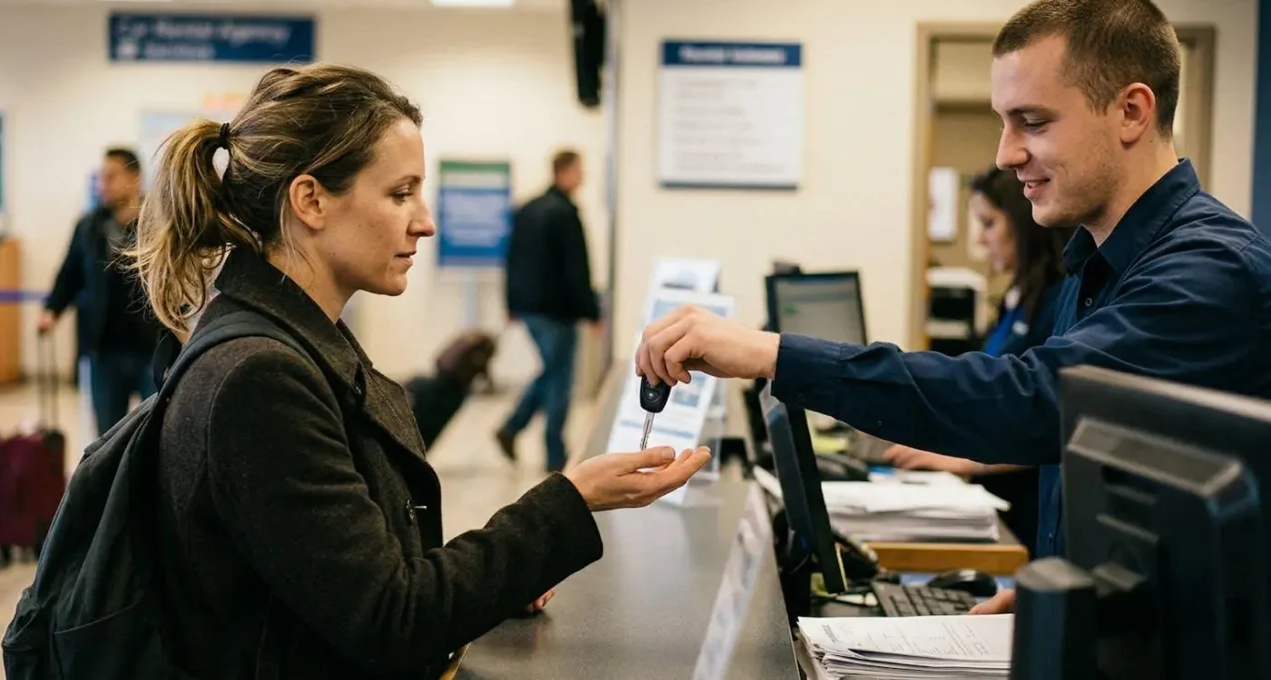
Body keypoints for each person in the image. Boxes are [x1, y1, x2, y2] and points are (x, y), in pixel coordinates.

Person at [634, 0, 1271, 616]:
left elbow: (1033, 402)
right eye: (1003, 121)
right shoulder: (1097, 262)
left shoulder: (1209, 271)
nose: (1005, 153)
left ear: (1131, 111)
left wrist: (772, 352)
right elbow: (1117, 474)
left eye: (1034, 121)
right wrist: (1071, 598)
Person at [131, 63, 710, 679]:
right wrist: (573, 500)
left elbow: (359, 575)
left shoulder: (294, 344)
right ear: (311, 200)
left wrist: (492, 582)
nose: (424, 220)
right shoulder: (259, 379)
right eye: (400, 193)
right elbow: (390, 621)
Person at [883, 165, 1072, 548]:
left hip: (1027, 517)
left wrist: (958, 460)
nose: (982, 240)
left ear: (1022, 223)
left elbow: (1049, 420)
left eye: (989, 224)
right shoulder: (1017, 299)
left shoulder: (1058, 302)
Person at [40, 148, 162, 432]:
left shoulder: (158, 224)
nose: (102, 184)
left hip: (151, 347)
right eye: (100, 178)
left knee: (159, 431)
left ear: (135, 179)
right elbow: (70, 272)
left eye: (110, 176)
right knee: (108, 436)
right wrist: (52, 311)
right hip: (103, 348)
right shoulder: (89, 226)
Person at [496, 149, 601, 472]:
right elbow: (576, 268)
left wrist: (512, 303)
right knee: (559, 379)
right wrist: (592, 311)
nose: (582, 177)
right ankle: (554, 452)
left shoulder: (527, 209)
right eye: (579, 170)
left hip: (530, 308)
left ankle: (513, 428)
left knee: (551, 372)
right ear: (566, 172)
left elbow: (510, 259)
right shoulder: (566, 213)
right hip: (558, 310)